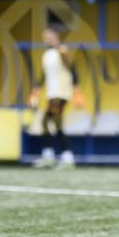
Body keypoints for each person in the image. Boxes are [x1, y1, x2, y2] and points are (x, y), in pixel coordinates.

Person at [29, 26, 83, 169]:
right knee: (49, 123)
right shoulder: (47, 54)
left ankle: (64, 158)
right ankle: (54, 157)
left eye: (50, 36)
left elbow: (72, 68)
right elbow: (44, 74)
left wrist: (77, 89)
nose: (47, 39)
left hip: (61, 94)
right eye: (46, 37)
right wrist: (36, 89)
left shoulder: (62, 50)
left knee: (48, 121)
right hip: (52, 95)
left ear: (56, 36)